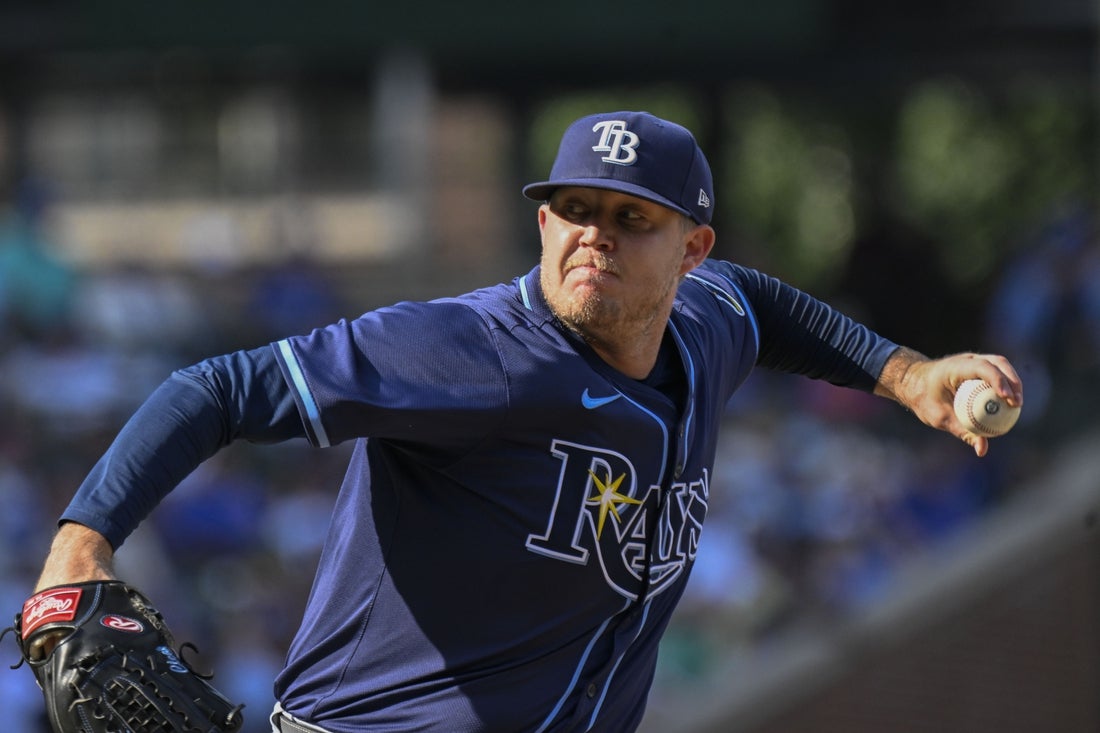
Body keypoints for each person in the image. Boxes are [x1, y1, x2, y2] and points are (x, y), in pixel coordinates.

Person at [30, 111, 1022, 733]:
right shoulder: (465, 350)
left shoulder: (707, 320)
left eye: (631, 218)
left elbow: (761, 303)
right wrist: (82, 542)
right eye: (574, 208)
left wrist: (906, 374)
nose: (595, 234)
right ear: (542, 222)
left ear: (691, 252)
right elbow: (216, 388)